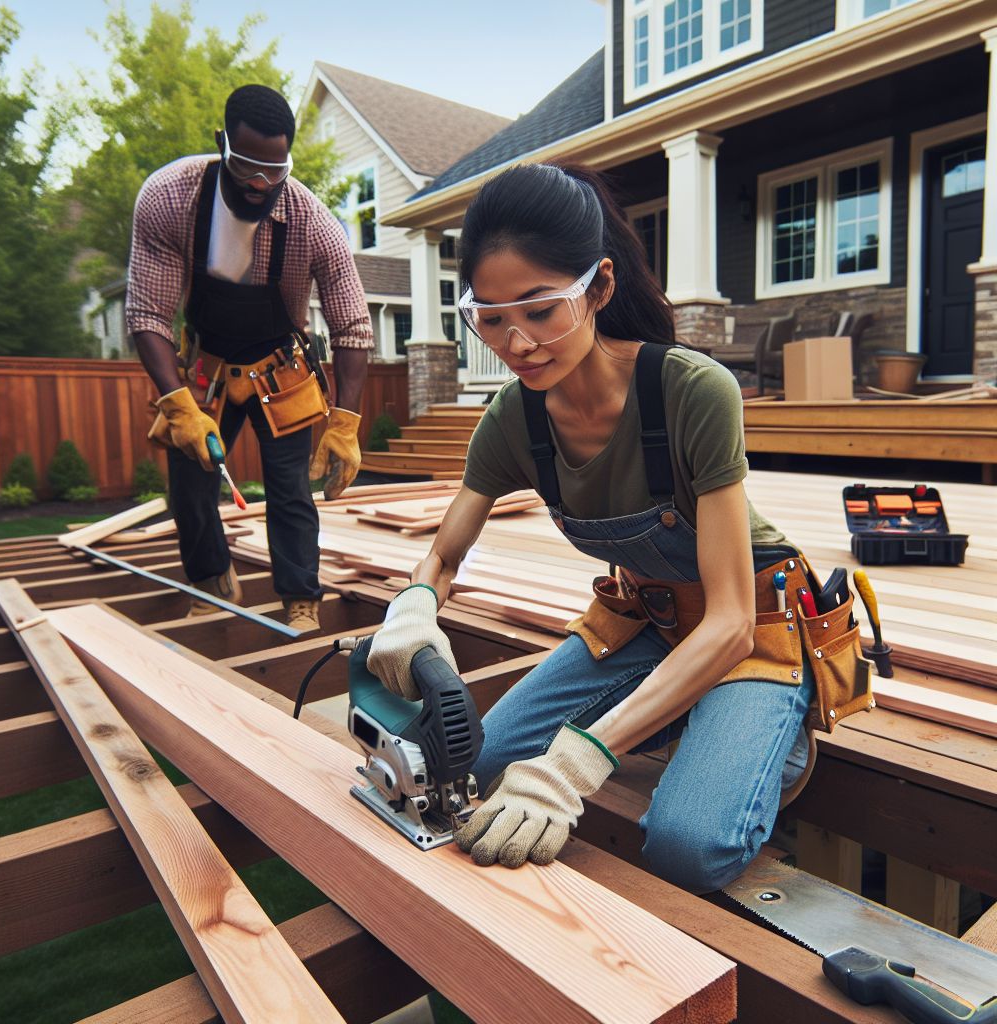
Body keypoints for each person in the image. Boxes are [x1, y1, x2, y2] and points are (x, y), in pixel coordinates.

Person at [366, 163, 870, 892]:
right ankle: (676, 714)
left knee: (686, 846)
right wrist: (413, 608)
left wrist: (578, 761)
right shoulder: (513, 420)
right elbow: (444, 553)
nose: (518, 343)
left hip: (754, 627)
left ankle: (763, 736)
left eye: (541, 310)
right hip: (648, 622)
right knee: (476, 764)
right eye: (491, 317)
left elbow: (728, 623)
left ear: (598, 288)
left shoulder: (689, 392)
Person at [127, 84, 374, 632]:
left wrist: (347, 421)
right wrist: (176, 404)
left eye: (276, 169)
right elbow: (147, 314)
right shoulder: (171, 198)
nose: (261, 184)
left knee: (290, 492)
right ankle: (211, 580)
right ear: (223, 146)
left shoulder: (312, 220)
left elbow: (354, 325)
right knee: (190, 488)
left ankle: (300, 598)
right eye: (247, 167)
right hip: (204, 369)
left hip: (278, 370)